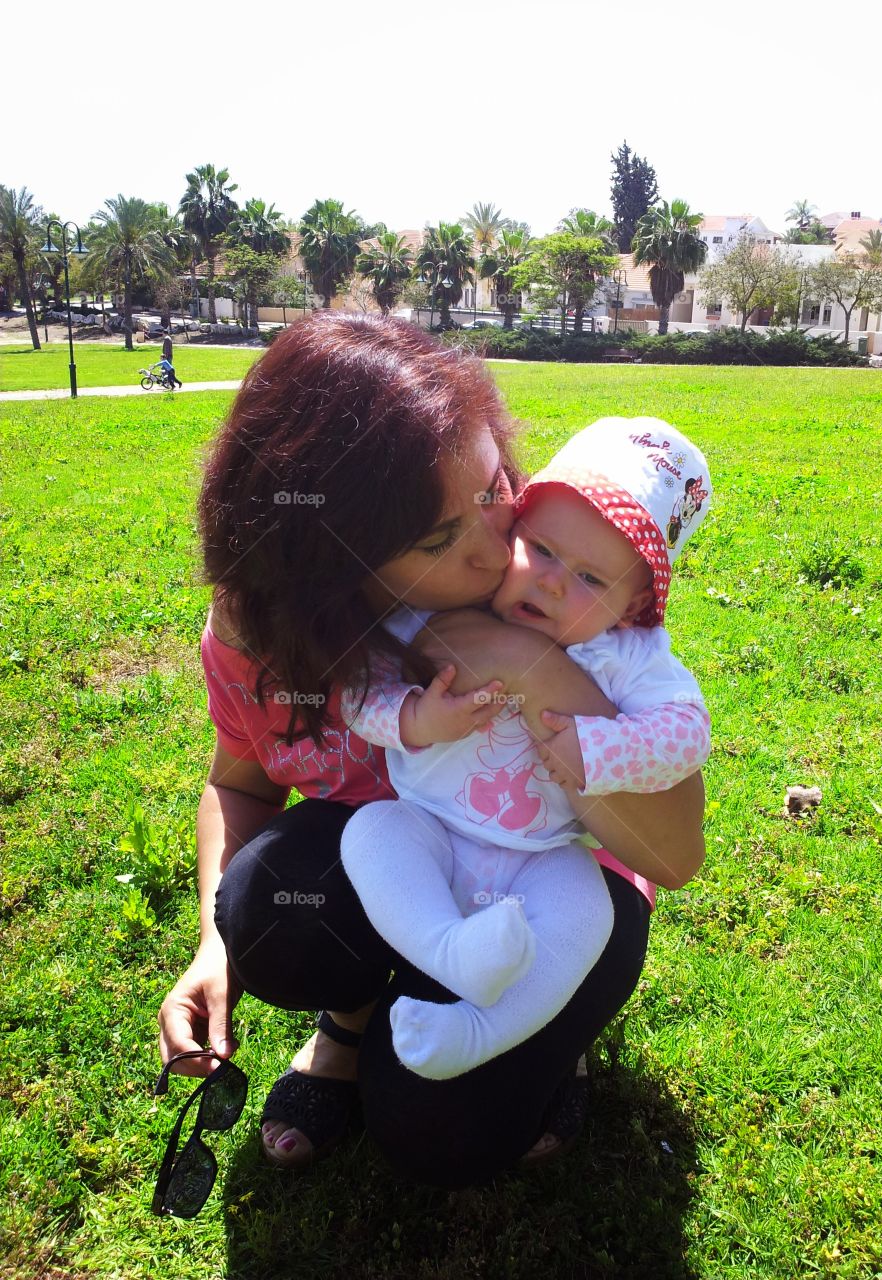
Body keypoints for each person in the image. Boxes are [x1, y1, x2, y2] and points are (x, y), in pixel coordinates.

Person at [157, 314, 707, 1188]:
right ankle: (353, 1018)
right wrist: (211, 947)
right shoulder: (266, 640)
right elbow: (242, 783)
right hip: (409, 871)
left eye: (494, 488)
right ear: (331, 571)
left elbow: (677, 855)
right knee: (264, 908)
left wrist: (525, 663)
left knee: (438, 1134)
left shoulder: (553, 579)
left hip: (553, 885)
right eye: (437, 540)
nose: (500, 550)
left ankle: (549, 1038)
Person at [339, 418, 711, 1081]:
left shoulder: (629, 657)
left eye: (593, 580)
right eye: (541, 549)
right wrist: (415, 718)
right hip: (427, 828)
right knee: (370, 834)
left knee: (585, 911)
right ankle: (447, 950)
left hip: (537, 859)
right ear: (513, 532)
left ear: (633, 609)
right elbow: (358, 685)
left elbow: (688, 734)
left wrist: (599, 751)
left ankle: (481, 1031)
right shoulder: (447, 607)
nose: (553, 583)